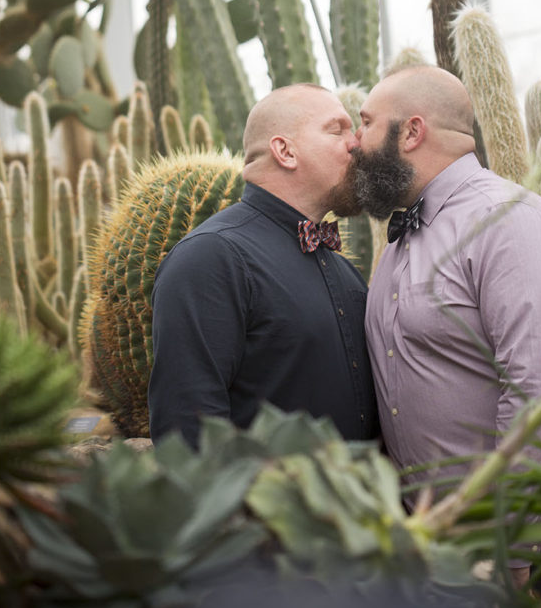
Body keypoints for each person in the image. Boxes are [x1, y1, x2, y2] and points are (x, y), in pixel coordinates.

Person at [352, 65, 541, 588]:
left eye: (366, 123)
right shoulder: (399, 245)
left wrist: (509, 555)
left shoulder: (509, 222)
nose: (355, 143)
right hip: (443, 550)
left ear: (412, 131)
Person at [148, 83, 379, 448]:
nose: (355, 143)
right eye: (337, 130)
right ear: (284, 151)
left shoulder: (341, 269)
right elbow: (187, 433)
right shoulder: (212, 258)